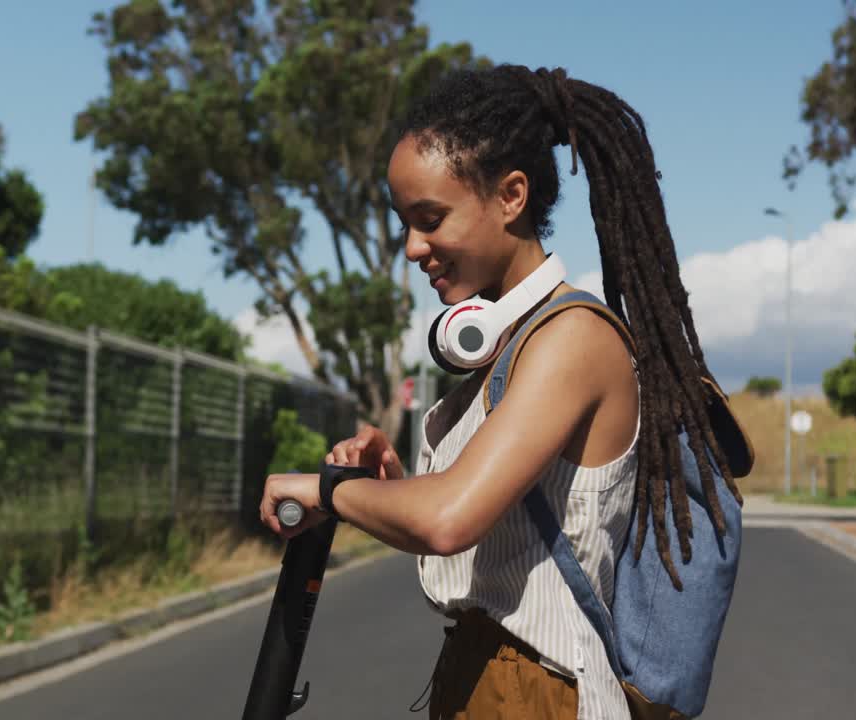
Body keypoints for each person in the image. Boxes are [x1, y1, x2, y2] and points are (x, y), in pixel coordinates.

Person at [259, 64, 743, 720]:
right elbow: (492, 542)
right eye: (406, 222)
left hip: (538, 691)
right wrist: (392, 483)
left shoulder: (572, 339)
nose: (411, 247)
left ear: (511, 196)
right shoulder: (512, 346)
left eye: (430, 218)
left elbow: (449, 520)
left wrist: (324, 492)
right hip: (485, 678)